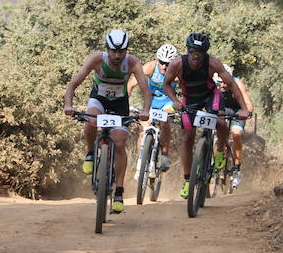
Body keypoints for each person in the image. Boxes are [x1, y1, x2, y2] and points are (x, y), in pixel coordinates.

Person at [63, 29, 151, 214]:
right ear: (107, 49)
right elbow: (73, 83)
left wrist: (145, 110)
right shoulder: (97, 60)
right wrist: (68, 105)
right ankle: (89, 154)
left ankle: (118, 192)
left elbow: (145, 89)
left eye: (122, 51)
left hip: (120, 104)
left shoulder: (132, 62)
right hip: (99, 99)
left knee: (119, 143)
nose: (118, 55)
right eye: (114, 51)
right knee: (91, 119)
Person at [161, 33, 251, 199]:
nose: (195, 56)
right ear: (187, 50)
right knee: (187, 138)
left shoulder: (213, 63)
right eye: (192, 51)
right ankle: (188, 180)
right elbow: (166, 84)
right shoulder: (177, 64)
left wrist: (244, 108)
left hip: (211, 96)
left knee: (221, 123)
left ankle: (221, 152)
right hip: (189, 99)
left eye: (200, 53)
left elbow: (232, 85)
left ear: (205, 53)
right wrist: (174, 100)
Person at [127, 43, 179, 171]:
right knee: (143, 131)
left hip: (167, 101)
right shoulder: (150, 67)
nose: (164, 66)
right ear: (157, 60)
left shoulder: (178, 73)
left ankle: (165, 154)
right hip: (150, 101)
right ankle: (141, 159)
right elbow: (131, 84)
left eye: (168, 64)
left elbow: (188, 88)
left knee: (165, 120)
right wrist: (125, 103)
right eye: (161, 62)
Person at [214, 64, 254, 190]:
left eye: (226, 82)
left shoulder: (237, 83)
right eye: (221, 82)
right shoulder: (213, 83)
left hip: (237, 110)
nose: (223, 85)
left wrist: (248, 112)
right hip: (221, 109)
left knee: (236, 134)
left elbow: (247, 103)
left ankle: (236, 168)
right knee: (215, 134)